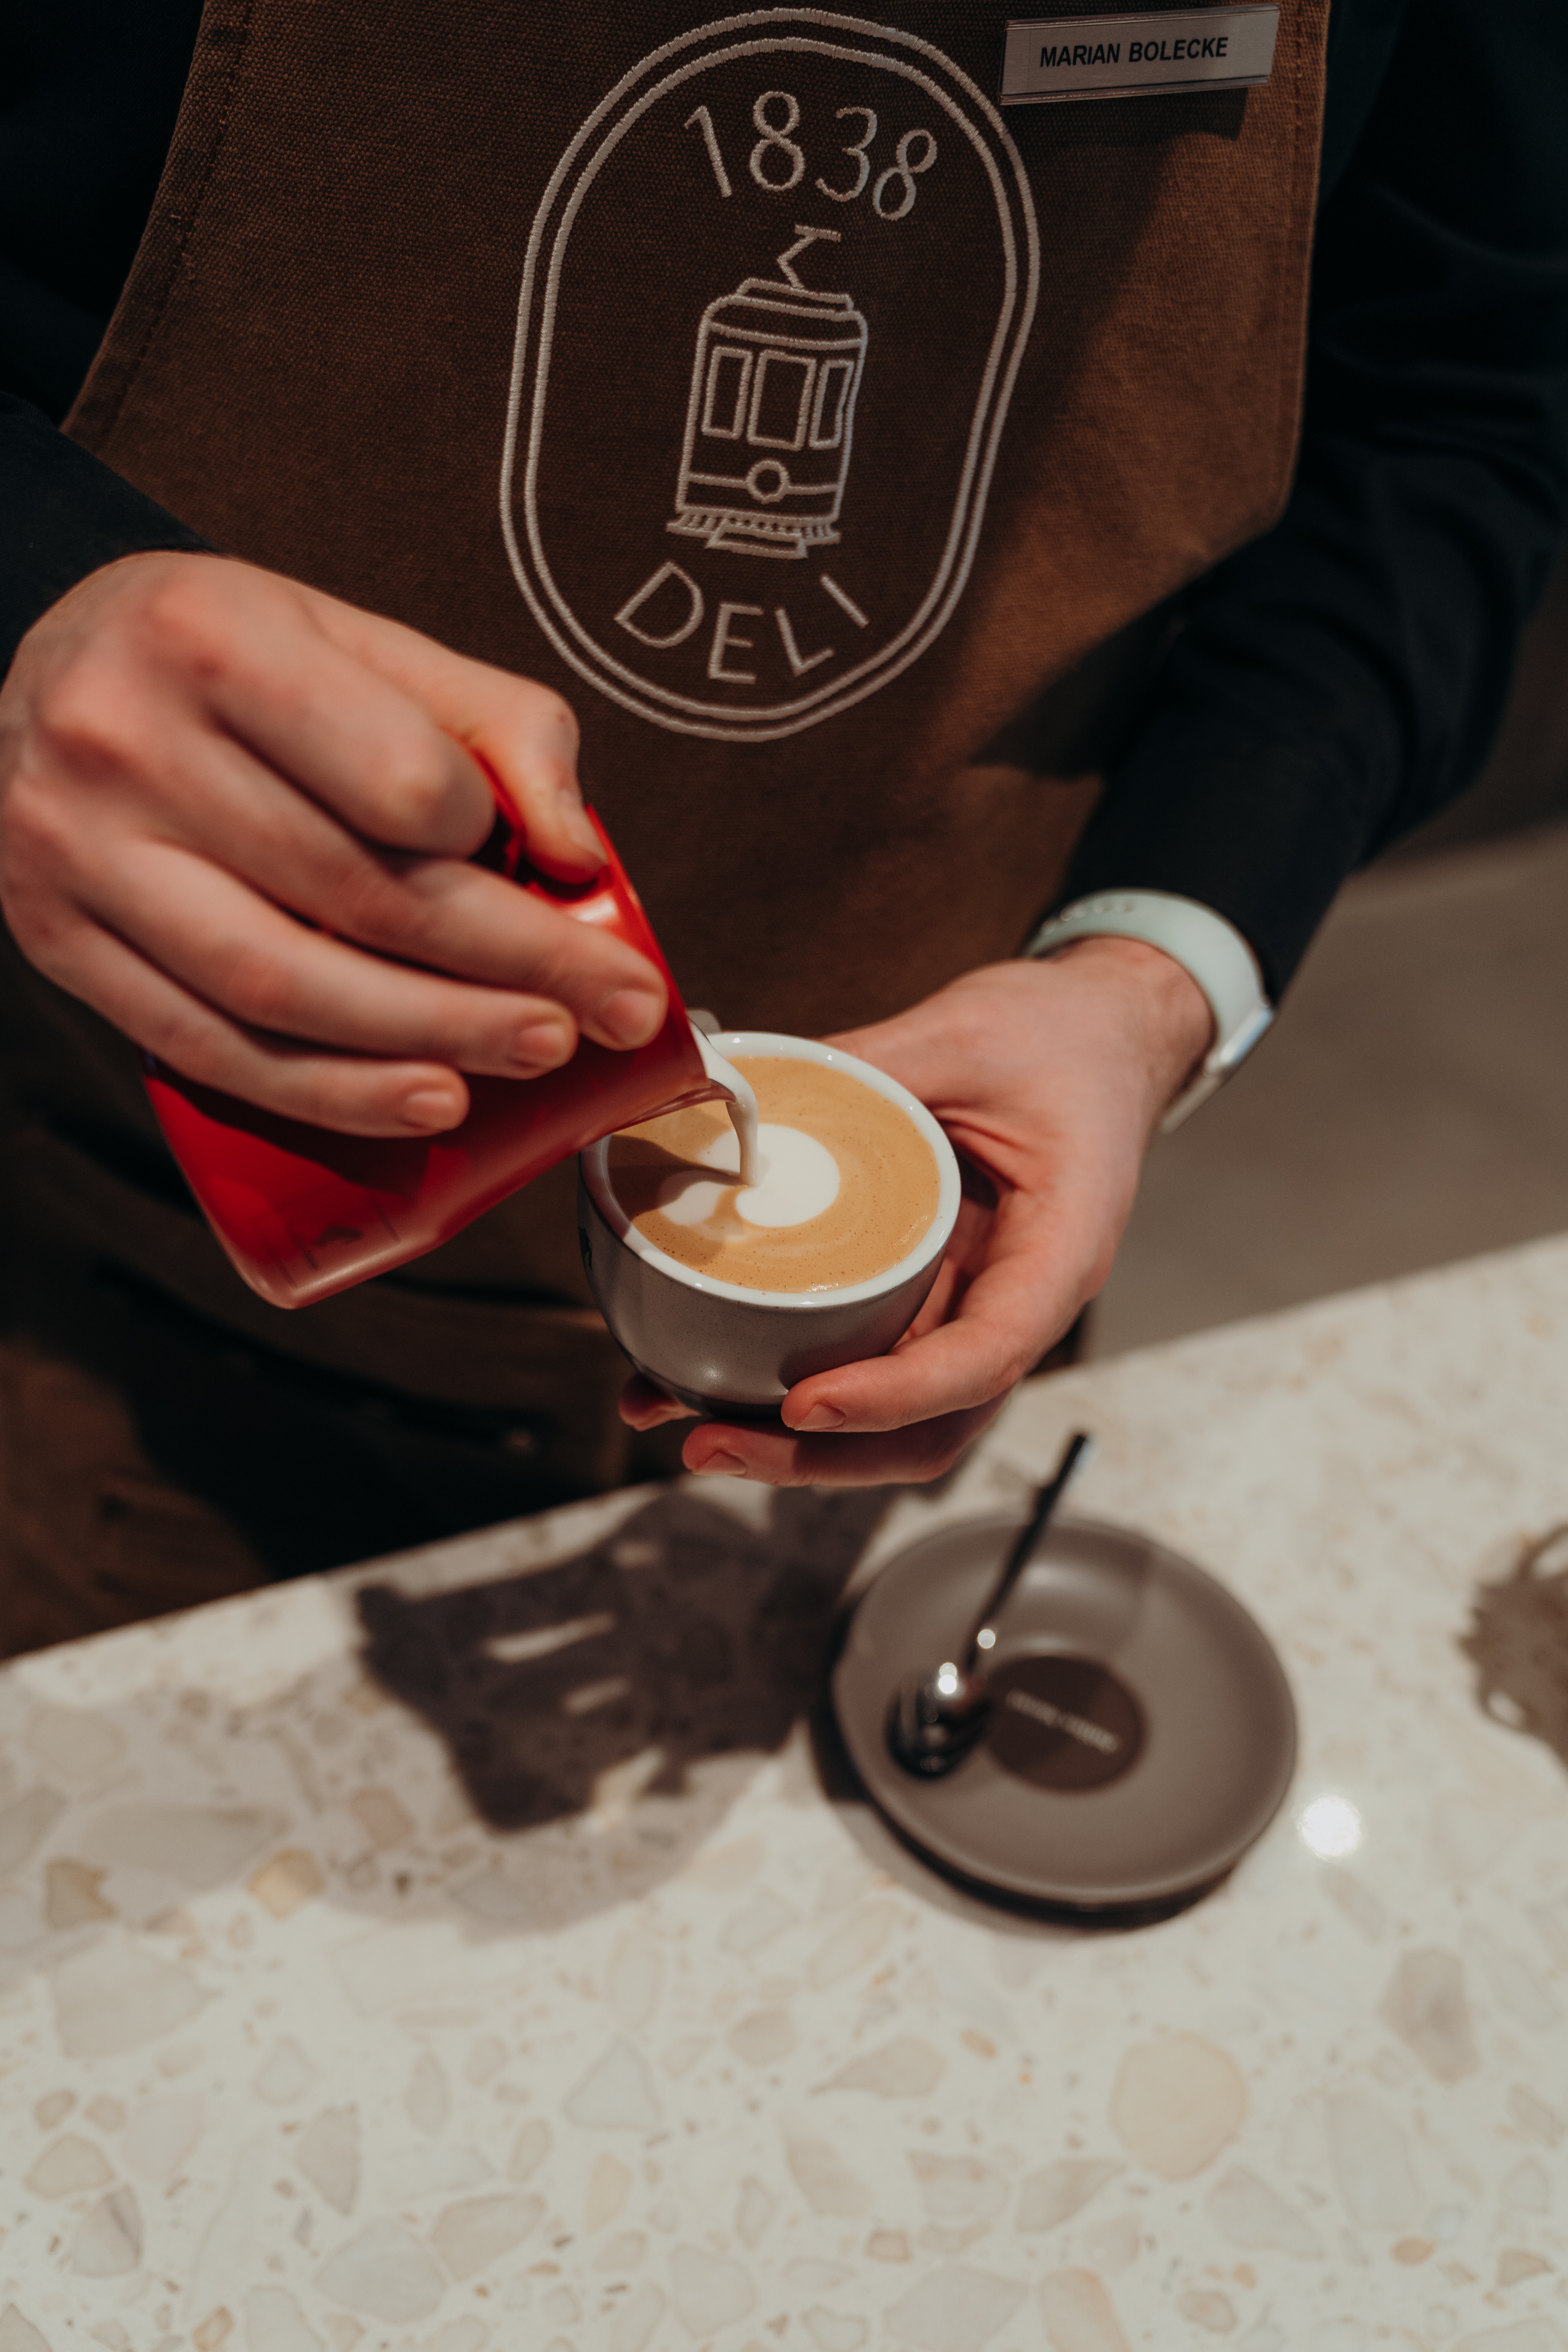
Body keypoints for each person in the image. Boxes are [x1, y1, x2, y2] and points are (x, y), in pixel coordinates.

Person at [0, 0, 1563, 1643]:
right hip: (151, 1282)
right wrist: (34, 609)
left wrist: (1149, 973)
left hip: (932, 1256)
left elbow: (1454, 410)